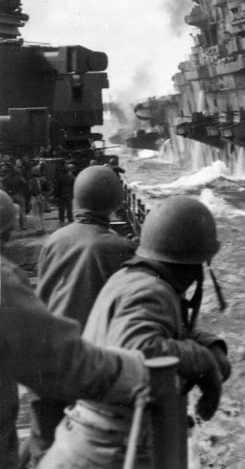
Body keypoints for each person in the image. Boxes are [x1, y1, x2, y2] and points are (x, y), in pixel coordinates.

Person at [40, 196, 231, 469]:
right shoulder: (152, 291)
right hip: (108, 454)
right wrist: (203, 362)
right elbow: (139, 349)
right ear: (197, 264)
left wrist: (210, 345)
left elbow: (161, 330)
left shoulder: (132, 279)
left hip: (90, 442)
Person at [1, 192, 149, 469]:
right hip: (75, 353)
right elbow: (64, 359)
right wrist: (136, 370)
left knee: (41, 440)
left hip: (45, 362)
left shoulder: (56, 239)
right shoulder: (4, 282)